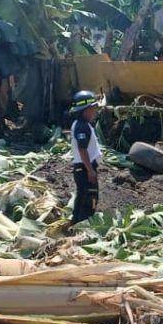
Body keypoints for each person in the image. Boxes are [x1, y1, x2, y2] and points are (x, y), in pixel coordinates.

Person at [69, 90, 102, 226]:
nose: (95, 111)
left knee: (82, 198)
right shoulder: (82, 127)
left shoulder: (80, 124)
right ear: (85, 110)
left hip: (81, 169)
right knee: (90, 200)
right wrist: (90, 170)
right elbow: (83, 149)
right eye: (93, 108)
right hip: (84, 169)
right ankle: (82, 230)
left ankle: (75, 225)